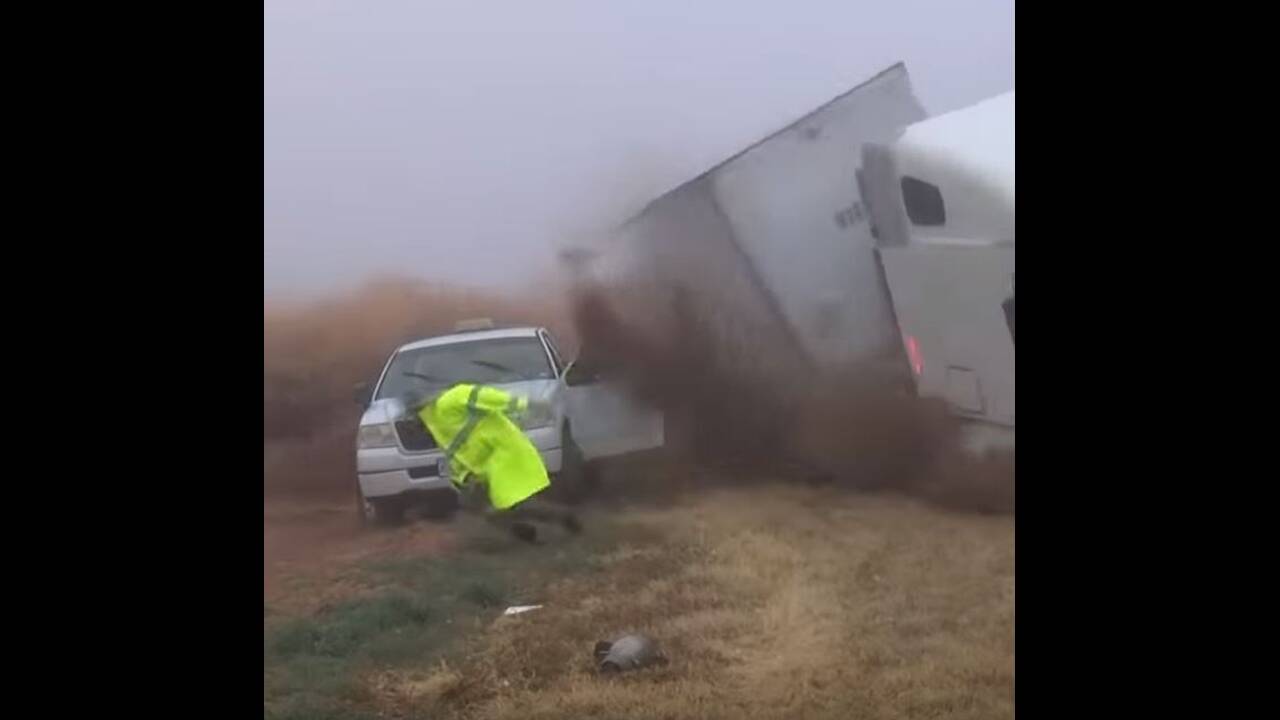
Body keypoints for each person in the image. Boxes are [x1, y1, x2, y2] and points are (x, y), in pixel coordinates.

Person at [408, 383, 581, 544]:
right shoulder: (435, 424)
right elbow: (456, 453)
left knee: (511, 504)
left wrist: (524, 404)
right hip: (488, 464)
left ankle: (561, 518)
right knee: (481, 507)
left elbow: (486, 396)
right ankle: (525, 531)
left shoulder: (451, 399)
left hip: (504, 451)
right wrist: (463, 479)